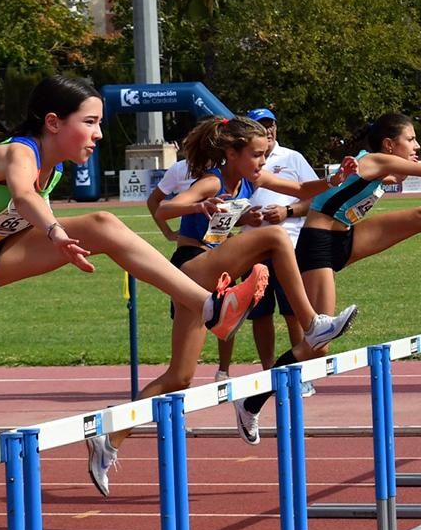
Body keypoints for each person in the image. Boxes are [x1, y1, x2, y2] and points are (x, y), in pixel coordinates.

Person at [0, 75, 273, 377]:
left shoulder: (57, 166)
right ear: (52, 122)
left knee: (103, 223)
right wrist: (55, 232)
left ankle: (210, 307)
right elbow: (24, 195)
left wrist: (57, 231)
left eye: (99, 122)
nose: (99, 134)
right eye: (90, 122)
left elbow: (26, 208)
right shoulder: (17, 154)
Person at [86, 115, 359, 496]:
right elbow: (166, 208)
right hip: (193, 266)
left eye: (265, 156)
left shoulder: (249, 179)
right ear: (231, 153)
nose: (263, 163)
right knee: (275, 238)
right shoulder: (213, 179)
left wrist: (336, 179)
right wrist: (200, 207)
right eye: (257, 155)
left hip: (204, 282)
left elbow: (299, 188)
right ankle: (311, 323)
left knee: (179, 377)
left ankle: (109, 438)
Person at [230, 112, 421, 444]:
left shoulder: (379, 169)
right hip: (317, 248)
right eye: (412, 139)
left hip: (344, 238)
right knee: (318, 345)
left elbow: (321, 196)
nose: (417, 145)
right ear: (389, 144)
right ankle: (250, 403)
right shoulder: (373, 162)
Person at [215, 108, 320, 398]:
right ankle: (262, 371)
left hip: (288, 245)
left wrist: (288, 211)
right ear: (239, 148)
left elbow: (304, 191)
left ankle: (299, 373)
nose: (267, 132)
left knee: (293, 311)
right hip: (246, 251)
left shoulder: (284, 161)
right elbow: (168, 208)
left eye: (269, 125)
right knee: (253, 314)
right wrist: (234, 217)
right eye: (260, 128)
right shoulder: (224, 177)